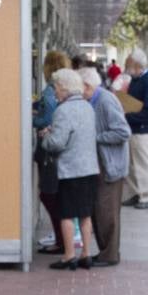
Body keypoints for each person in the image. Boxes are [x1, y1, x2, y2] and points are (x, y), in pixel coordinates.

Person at [36, 68, 98, 270]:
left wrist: (45, 136)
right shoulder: (87, 107)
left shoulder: (62, 110)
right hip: (89, 168)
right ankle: (86, 254)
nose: (55, 92)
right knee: (85, 214)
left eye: (56, 88)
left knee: (67, 214)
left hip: (71, 170)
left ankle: (69, 255)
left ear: (64, 87)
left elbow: (57, 143)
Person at [81, 66, 129, 267]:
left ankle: (109, 254)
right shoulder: (94, 100)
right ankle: (104, 252)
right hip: (100, 164)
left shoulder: (105, 101)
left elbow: (122, 131)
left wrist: (96, 138)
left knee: (107, 212)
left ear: (87, 86)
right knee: (99, 209)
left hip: (111, 165)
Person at [32, 49, 71, 255]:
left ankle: (61, 240)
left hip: (47, 150)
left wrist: (28, 116)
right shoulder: (64, 90)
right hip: (60, 149)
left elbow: (45, 120)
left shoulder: (49, 91)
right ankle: (62, 239)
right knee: (54, 194)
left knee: (48, 195)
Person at [121, 49, 148, 209]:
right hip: (133, 128)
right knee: (131, 164)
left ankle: (147, 196)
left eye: (129, 66)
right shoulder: (136, 80)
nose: (127, 69)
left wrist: (127, 116)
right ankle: (134, 193)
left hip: (142, 129)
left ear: (137, 65)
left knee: (143, 164)